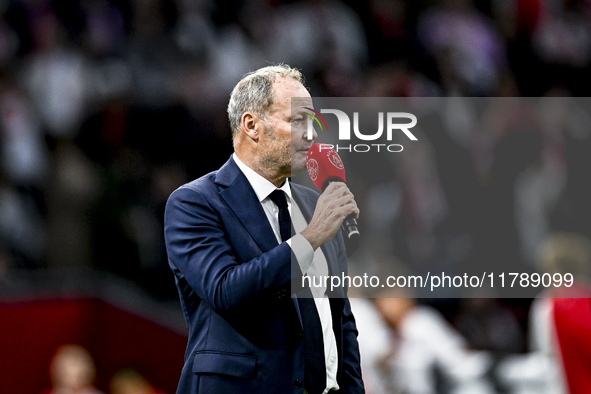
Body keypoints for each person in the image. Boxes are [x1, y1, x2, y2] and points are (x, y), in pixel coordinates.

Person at [164, 64, 364, 393]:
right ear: (252, 125)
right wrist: (310, 238)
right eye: (297, 120)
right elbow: (226, 290)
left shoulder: (316, 206)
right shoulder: (195, 202)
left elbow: (341, 319)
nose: (311, 134)